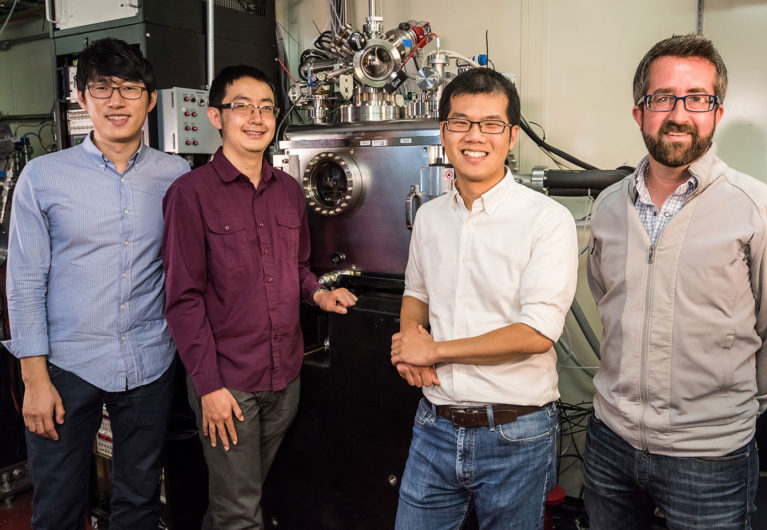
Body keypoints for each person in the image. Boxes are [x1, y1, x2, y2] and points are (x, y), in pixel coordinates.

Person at [585, 34, 767, 529]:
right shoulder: (608, 206)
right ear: (639, 112)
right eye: (662, 98)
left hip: (710, 459)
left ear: (717, 112)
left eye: (697, 98)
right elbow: (606, 298)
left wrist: (726, 411)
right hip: (609, 442)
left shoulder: (760, 210)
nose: (679, 113)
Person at [3, 38, 190, 529]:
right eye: (102, 88)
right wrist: (33, 377)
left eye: (129, 89)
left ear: (150, 99)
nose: (116, 101)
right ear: (81, 99)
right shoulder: (44, 177)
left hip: (151, 360)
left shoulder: (176, 175)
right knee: (59, 504)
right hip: (66, 365)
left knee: (140, 499)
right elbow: (24, 281)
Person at [162, 65, 357, 529]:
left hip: (284, 375)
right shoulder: (189, 194)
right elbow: (182, 299)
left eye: (266, 108)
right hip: (228, 382)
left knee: (239, 499)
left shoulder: (288, 190)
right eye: (242, 106)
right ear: (216, 116)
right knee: (239, 511)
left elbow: (297, 268)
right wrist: (208, 387)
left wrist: (321, 295)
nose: (256, 117)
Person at [389, 67, 578, 529]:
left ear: (512, 136)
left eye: (491, 123)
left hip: (516, 433)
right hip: (434, 424)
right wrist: (408, 342)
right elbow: (417, 292)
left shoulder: (547, 220)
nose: (475, 136)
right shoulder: (431, 217)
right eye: (461, 122)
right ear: (444, 131)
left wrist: (431, 349)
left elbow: (536, 333)